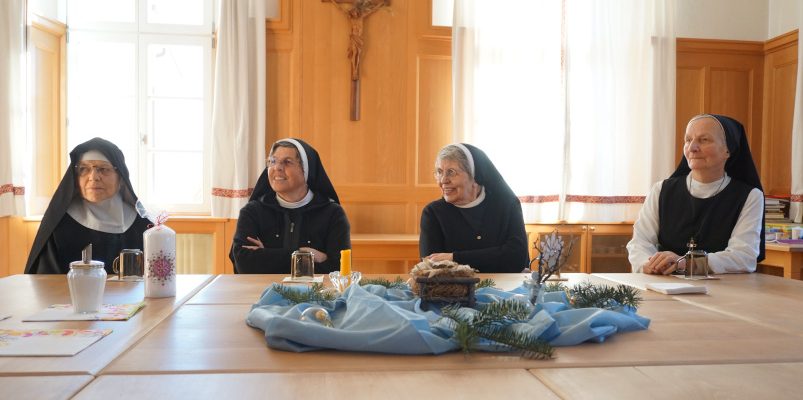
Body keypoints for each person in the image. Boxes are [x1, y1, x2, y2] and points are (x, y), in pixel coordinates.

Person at [627, 114, 765, 275]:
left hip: (722, 286)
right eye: (688, 140)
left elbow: (743, 256)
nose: (692, 147)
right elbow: (640, 243)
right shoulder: (661, 190)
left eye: (704, 140)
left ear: (728, 150)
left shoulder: (750, 196)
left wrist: (688, 263)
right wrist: (648, 263)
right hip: (663, 281)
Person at [25, 138, 152, 274]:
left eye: (104, 169)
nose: (93, 177)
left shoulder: (142, 224)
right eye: (84, 169)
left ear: (120, 177)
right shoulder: (59, 224)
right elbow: (46, 280)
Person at [230, 138, 350, 274]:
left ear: (306, 170)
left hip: (315, 288)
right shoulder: (252, 211)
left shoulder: (332, 214)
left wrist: (266, 256)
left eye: (287, 162)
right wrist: (304, 255)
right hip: (262, 287)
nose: (277, 167)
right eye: (272, 161)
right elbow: (244, 265)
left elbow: (338, 269)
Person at [419, 143, 529, 273]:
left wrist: (454, 258)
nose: (443, 180)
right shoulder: (433, 213)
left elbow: (517, 258)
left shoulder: (507, 205)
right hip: (453, 286)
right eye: (439, 172)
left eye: (451, 172)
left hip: (505, 284)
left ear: (475, 177)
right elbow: (432, 267)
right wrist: (495, 257)